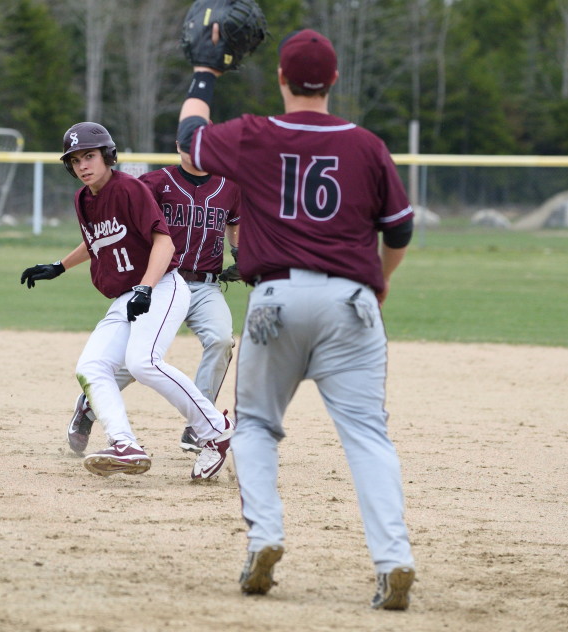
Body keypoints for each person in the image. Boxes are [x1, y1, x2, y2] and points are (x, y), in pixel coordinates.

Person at [177, 29, 417, 609]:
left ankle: (265, 538)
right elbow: (401, 230)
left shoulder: (256, 135)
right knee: (367, 434)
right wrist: (376, 286)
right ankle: (392, 560)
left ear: (282, 80)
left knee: (257, 425)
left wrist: (207, 70)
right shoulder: (366, 145)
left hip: (274, 302)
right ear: (333, 81)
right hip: (352, 303)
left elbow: (189, 142)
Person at [21, 121, 233, 480]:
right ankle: (125, 445)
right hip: (126, 295)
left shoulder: (130, 189)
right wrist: (60, 266)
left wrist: (147, 288)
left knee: (142, 362)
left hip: (162, 286)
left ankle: (217, 433)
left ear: (107, 156)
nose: (83, 165)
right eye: (75, 160)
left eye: (90, 156)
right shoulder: (83, 199)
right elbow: (99, 241)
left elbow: (164, 241)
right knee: (91, 368)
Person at [65, 144, 243, 457]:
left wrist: (241, 255)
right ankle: (90, 405)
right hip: (159, 279)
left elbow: (236, 224)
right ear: (177, 146)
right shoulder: (155, 182)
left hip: (205, 285)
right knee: (141, 361)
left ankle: (200, 425)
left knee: (220, 340)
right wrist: (61, 265)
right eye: (188, 141)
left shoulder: (229, 185)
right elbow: (111, 229)